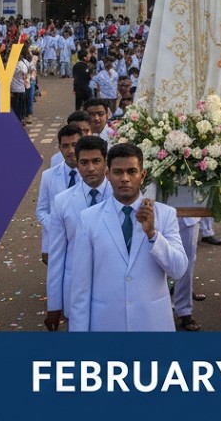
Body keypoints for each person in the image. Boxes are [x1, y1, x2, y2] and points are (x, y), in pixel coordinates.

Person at [67, 143, 188, 332]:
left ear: (143, 175)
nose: (125, 179)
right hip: (106, 323)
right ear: (107, 175)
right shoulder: (89, 219)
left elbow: (179, 269)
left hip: (153, 323)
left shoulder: (164, 214)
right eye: (118, 172)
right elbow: (80, 285)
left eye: (132, 171)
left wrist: (152, 235)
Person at [43, 136, 109, 331]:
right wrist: (53, 305)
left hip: (113, 290)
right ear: (77, 164)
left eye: (96, 161)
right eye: (84, 162)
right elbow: (57, 256)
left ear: (105, 162)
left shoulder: (121, 197)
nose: (90, 168)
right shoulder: (62, 202)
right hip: (76, 290)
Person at [37, 125, 83, 263]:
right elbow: (42, 210)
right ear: (59, 147)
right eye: (65, 146)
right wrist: (56, 227)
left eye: (75, 145)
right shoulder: (48, 176)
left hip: (84, 240)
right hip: (56, 240)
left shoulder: (92, 177)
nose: (70, 151)